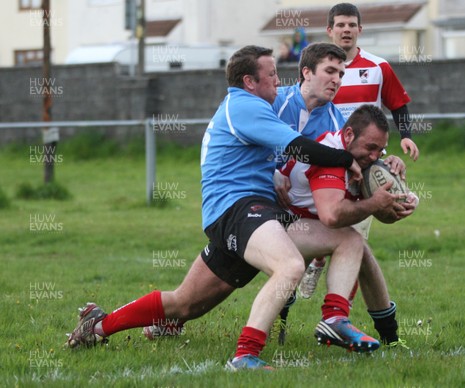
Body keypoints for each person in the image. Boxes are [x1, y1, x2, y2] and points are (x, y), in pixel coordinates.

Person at [66, 45, 389, 371]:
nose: (279, 80)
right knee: (290, 266)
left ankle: (97, 325)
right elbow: (299, 148)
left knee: (186, 304)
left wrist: (381, 168)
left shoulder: (262, 105)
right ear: (250, 81)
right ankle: (245, 355)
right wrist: (347, 160)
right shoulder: (245, 106)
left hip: (262, 214)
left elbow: (317, 154)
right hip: (237, 210)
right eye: (272, 74)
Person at [271, 42, 417, 348]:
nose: (338, 79)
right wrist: (270, 173)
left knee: (356, 247)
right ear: (306, 72)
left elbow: (364, 159)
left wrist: (391, 175)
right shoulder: (274, 102)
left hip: (304, 214)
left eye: (341, 72)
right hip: (258, 206)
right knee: (208, 287)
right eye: (330, 71)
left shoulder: (339, 124)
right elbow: (243, 144)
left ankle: (386, 336)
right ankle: (332, 320)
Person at [327, 2, 419, 162]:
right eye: (340, 25)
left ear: (359, 30)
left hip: (369, 157)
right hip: (330, 154)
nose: (346, 29)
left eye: (352, 25)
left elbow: (398, 105)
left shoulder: (379, 66)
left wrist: (406, 136)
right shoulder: (318, 69)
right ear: (330, 30)